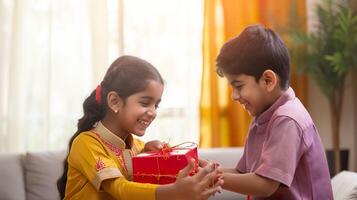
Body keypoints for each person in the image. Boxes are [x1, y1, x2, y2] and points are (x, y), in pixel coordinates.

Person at [57, 55, 223, 200]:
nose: (153, 113)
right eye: (145, 103)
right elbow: (119, 189)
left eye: (156, 105)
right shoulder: (86, 143)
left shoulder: (138, 147)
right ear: (114, 101)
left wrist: (191, 172)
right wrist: (173, 192)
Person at [212, 24, 333, 199]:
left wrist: (213, 178)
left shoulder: (288, 119)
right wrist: (206, 169)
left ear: (268, 80)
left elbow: (265, 184)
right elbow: (243, 172)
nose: (234, 96)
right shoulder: (263, 115)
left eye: (238, 86)